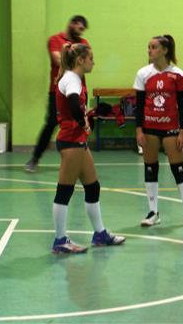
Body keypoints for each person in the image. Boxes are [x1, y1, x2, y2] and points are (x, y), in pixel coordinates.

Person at [51, 43, 125, 254]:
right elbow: (74, 105)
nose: (94, 62)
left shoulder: (74, 79)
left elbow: (76, 107)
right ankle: (60, 240)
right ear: (80, 60)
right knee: (64, 191)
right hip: (71, 141)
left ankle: (100, 234)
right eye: (91, 58)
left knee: (93, 187)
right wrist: (83, 123)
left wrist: (86, 116)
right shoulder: (72, 79)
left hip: (78, 141)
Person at [134, 35, 183, 228]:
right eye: (148, 47)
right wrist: (139, 130)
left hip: (171, 128)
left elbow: (182, 105)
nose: (149, 50)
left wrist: (182, 131)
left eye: (154, 47)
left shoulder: (177, 74)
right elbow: (139, 105)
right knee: (150, 167)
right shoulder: (143, 73)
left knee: (178, 168)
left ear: (165, 50)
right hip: (150, 127)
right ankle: (153, 212)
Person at [25, 16, 89, 172]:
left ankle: (81, 160)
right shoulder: (55, 40)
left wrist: (68, 57)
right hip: (57, 91)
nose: (81, 32)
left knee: (81, 123)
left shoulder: (84, 43)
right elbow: (57, 60)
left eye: (83, 30)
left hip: (79, 90)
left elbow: (85, 63)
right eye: (79, 28)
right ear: (72, 24)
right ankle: (35, 158)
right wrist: (75, 60)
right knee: (52, 123)